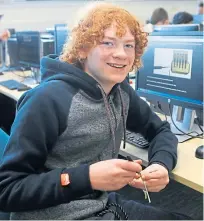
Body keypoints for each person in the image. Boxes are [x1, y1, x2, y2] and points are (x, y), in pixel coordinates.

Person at [0, 3, 191, 220]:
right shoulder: (46, 100)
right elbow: (7, 189)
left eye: (129, 45)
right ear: (82, 48)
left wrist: (161, 164)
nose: (121, 54)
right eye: (108, 43)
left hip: (99, 203)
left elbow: (160, 130)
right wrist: (87, 177)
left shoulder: (120, 92)